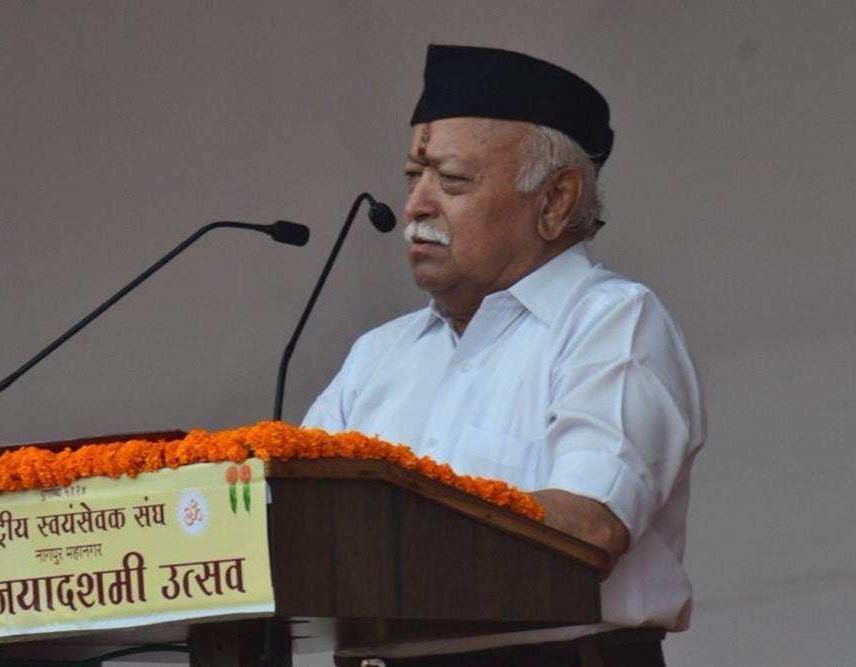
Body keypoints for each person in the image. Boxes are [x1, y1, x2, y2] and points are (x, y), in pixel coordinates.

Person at [303, 44, 707, 666]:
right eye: (414, 177)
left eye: (453, 180)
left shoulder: (611, 322)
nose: (415, 207)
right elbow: (294, 526)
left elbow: (588, 526)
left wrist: (390, 532)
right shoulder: (376, 357)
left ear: (554, 202)